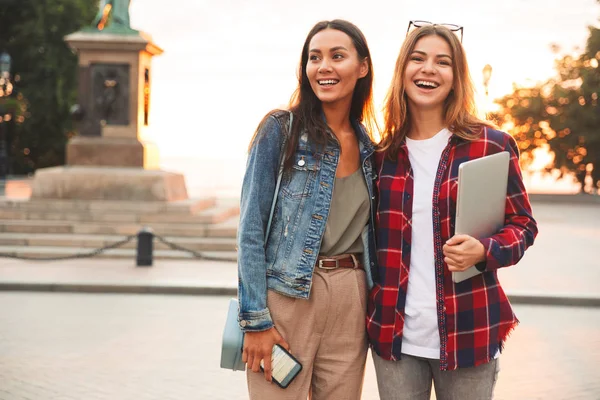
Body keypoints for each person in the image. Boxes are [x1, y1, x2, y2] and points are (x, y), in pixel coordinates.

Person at [366, 21, 538, 400]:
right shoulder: (380, 157)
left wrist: (485, 251)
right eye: (418, 58)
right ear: (402, 71)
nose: (429, 69)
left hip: (469, 330)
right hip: (395, 339)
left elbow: (523, 225)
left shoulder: (491, 145)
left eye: (442, 62)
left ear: (456, 77)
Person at [237, 19, 378, 400]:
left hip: (351, 296)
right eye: (314, 58)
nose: (323, 67)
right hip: (290, 296)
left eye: (337, 56)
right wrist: (255, 321)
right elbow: (250, 230)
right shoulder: (280, 131)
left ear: (361, 67)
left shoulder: (370, 148)